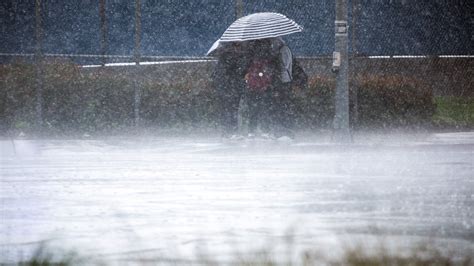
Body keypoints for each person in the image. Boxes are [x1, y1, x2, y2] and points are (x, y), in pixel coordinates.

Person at [211, 42, 252, 136]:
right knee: (232, 109)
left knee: (226, 109)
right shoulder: (232, 58)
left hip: (224, 87)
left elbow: (217, 75)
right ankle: (231, 131)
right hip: (232, 87)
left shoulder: (222, 58)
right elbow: (236, 73)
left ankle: (227, 131)